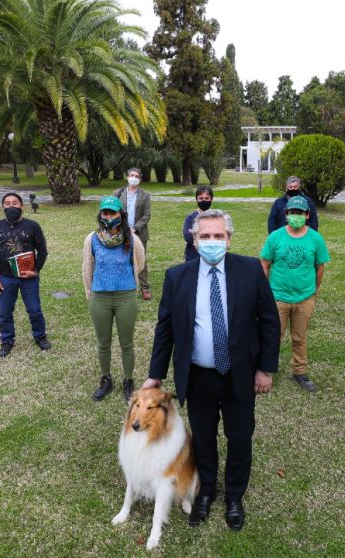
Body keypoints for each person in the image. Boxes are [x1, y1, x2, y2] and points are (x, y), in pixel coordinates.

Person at [142, 209, 280, 532]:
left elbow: (270, 323)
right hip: (199, 375)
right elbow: (166, 329)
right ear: (195, 240)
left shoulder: (250, 271)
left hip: (240, 374)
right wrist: (154, 374)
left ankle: (234, 496)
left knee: (240, 436)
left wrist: (265, 369)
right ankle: (206, 492)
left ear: (229, 239)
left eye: (219, 236)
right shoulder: (178, 277)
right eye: (205, 236)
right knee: (203, 438)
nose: (212, 241)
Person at [259, 196, 330, 392]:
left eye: (300, 213)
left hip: (304, 298)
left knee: (299, 337)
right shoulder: (275, 237)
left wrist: (313, 291)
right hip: (278, 297)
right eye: (292, 213)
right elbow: (265, 263)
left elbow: (320, 267)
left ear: (307, 215)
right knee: (273, 336)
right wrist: (266, 291)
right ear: (286, 215)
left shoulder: (315, 238)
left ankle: (300, 371)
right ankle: (266, 370)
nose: (296, 216)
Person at [83, 196, 146, 402]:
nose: (109, 217)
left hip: (125, 297)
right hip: (100, 298)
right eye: (106, 213)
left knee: (126, 343)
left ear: (121, 215)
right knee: (103, 343)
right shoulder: (92, 239)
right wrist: (90, 295)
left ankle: (128, 380)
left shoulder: (132, 239)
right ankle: (106, 379)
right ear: (101, 215)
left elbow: (140, 262)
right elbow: (88, 268)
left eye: (113, 213)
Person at [0, 193, 50, 358]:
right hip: (5, 278)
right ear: (3, 207)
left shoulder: (33, 226)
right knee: (5, 312)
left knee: (35, 310)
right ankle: (7, 340)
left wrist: (36, 270)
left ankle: (40, 336)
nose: (11, 206)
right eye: (7, 203)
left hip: (28, 277)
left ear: (22, 206)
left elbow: (43, 251)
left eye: (15, 203)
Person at [113, 167, 152, 300]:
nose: (133, 178)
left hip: (139, 233)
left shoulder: (145, 195)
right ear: (127, 177)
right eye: (131, 175)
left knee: (141, 259)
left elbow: (147, 215)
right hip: (120, 232)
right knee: (121, 258)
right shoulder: (118, 193)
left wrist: (135, 228)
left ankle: (145, 288)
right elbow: (113, 212)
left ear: (140, 179)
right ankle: (123, 286)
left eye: (136, 176)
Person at [183, 185, 213, 261]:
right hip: (193, 256)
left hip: (212, 255)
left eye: (206, 198)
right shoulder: (190, 217)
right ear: (197, 199)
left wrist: (196, 232)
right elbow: (188, 237)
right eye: (201, 198)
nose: (204, 201)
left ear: (211, 199)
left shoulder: (217, 217)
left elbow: (222, 236)